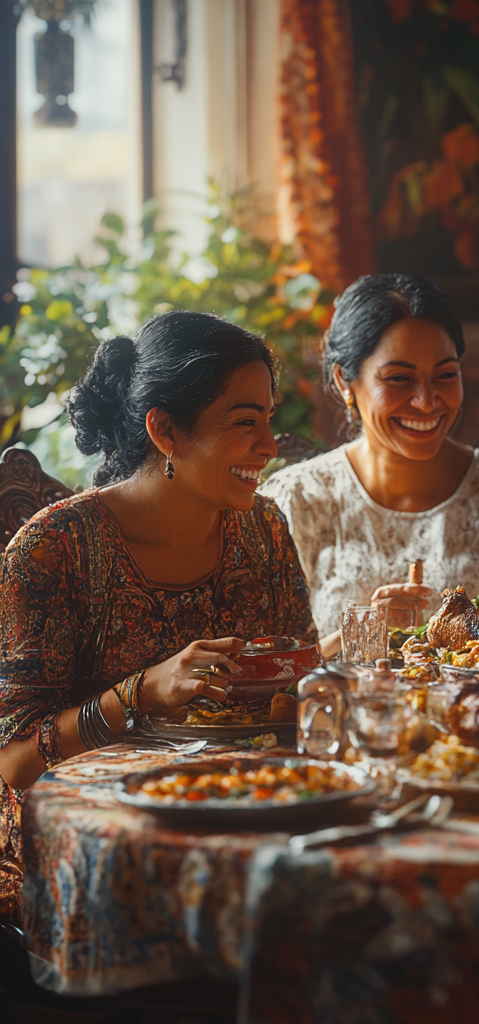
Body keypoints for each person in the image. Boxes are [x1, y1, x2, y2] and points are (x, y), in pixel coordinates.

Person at [0, 311, 317, 919]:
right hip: (88, 847)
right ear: (166, 430)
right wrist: (142, 693)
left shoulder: (265, 529)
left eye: (269, 420)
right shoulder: (54, 550)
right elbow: (15, 761)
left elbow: (300, 674)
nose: (271, 447)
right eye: (246, 422)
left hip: (242, 811)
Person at [261, 274, 479, 655]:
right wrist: (361, 631)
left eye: (445, 375)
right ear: (345, 382)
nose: (426, 402)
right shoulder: (293, 501)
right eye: (399, 379)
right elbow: (264, 671)